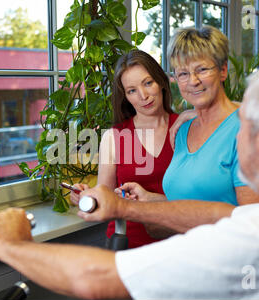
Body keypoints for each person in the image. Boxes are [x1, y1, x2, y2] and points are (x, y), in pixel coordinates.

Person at [0, 56, 259, 299]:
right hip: (135, 238)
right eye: (132, 90)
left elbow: (94, 279)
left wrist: (9, 244)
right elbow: (224, 215)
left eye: (241, 125)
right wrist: (126, 208)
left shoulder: (257, 238)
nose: (231, 135)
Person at [110, 26, 259, 236]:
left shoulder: (246, 131)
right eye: (183, 73)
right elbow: (189, 203)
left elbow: (252, 224)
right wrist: (148, 200)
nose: (193, 81)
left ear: (223, 70)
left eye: (202, 70)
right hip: (185, 258)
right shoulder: (182, 131)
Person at [69, 50, 194, 248]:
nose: (143, 96)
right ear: (125, 96)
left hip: (180, 245)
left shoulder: (187, 128)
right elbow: (105, 197)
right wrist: (87, 196)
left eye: (148, 83)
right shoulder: (114, 137)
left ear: (161, 81)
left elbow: (202, 200)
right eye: (132, 90)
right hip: (127, 245)